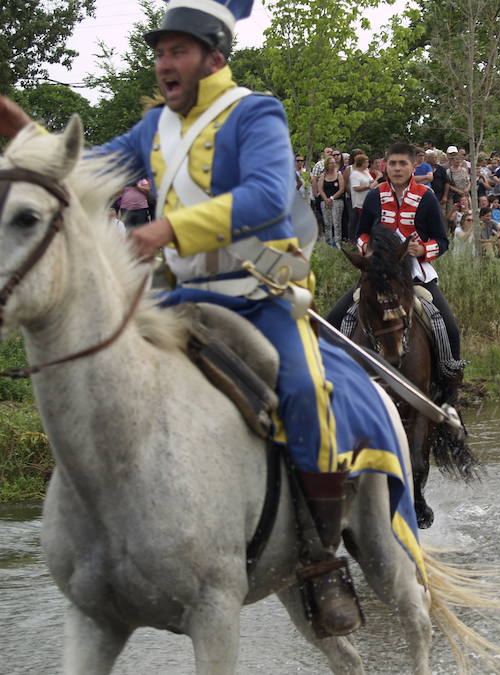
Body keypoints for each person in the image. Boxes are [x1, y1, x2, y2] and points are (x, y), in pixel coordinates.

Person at [0, 0, 382, 636]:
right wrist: (18, 128)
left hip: (261, 295)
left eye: (177, 51)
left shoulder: (255, 112)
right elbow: (82, 163)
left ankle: (322, 563)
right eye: (160, 52)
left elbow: (264, 195)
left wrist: (166, 227)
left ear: (214, 56)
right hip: (184, 298)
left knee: (306, 393)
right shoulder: (152, 128)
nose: (164, 64)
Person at [327, 142, 461, 362]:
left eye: (402, 163)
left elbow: (442, 240)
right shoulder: (374, 196)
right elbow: (360, 234)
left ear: (413, 166)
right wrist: (367, 249)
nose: (397, 168)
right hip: (377, 273)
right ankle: (333, 372)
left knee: (449, 327)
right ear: (385, 166)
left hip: (415, 276)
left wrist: (422, 250)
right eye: (393, 164)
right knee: (333, 319)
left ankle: (451, 379)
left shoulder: (427, 198)